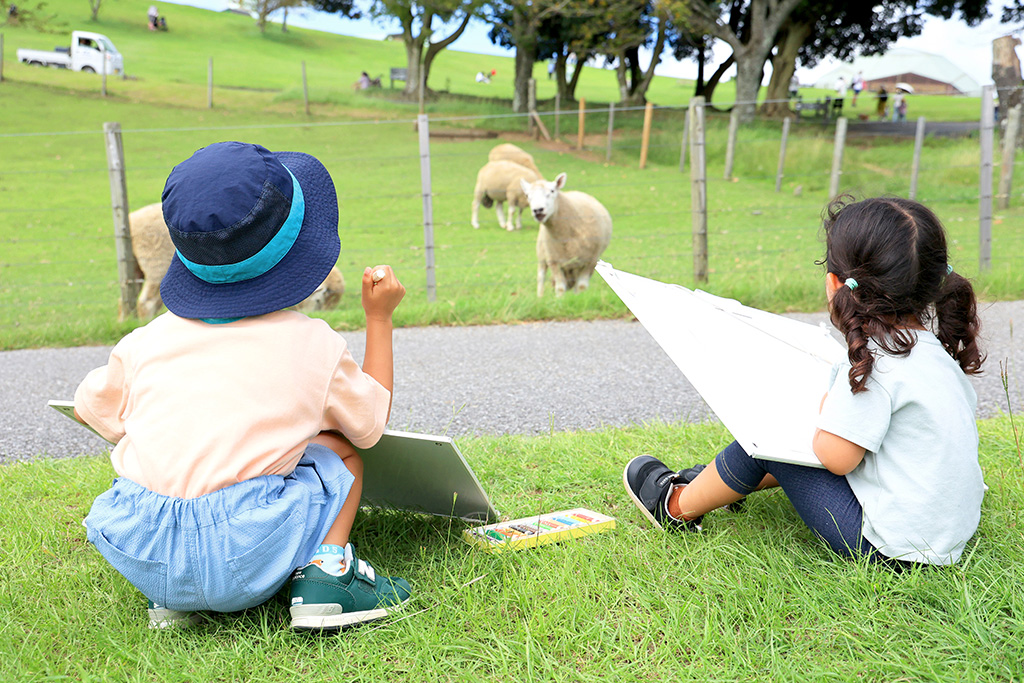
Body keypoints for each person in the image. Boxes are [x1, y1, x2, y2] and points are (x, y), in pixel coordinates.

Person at [73, 141, 412, 631]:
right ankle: (328, 577)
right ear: (300, 249)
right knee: (339, 450)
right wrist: (379, 319)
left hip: (141, 548)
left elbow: (91, 412)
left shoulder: (146, 340)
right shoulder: (312, 342)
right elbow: (369, 424)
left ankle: (175, 599)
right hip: (244, 550)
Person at [624, 195, 985, 567]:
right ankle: (723, 485)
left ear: (835, 284)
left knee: (769, 440)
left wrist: (827, 412)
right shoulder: (935, 353)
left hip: (892, 548)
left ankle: (675, 506)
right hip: (947, 531)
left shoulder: (871, 363)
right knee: (796, 440)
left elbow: (837, 460)